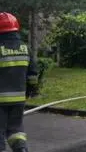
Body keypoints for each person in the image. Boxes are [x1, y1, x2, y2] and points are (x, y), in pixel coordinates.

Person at [0, 12, 38, 152]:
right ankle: (21, 149)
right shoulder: (25, 48)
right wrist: (32, 90)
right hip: (19, 99)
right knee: (16, 131)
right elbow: (33, 73)